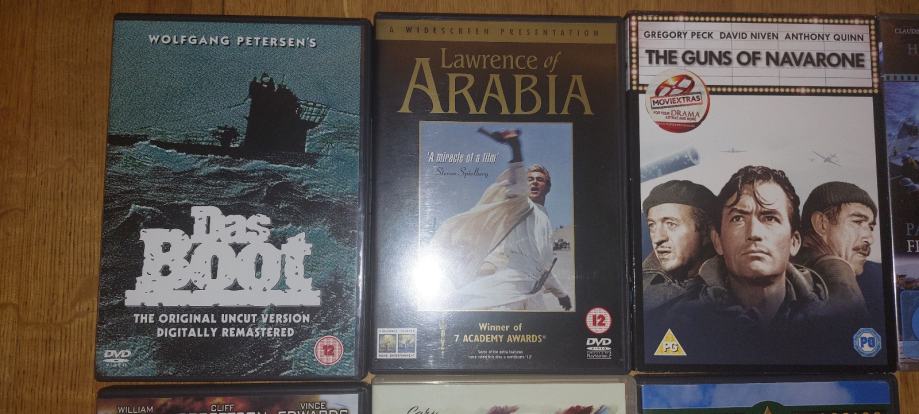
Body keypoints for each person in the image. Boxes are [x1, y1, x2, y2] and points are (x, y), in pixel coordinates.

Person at [427, 129, 571, 311]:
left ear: (548, 187)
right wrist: (515, 147)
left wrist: (561, 294)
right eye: (530, 179)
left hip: (533, 295)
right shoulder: (522, 205)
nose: (534, 182)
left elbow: (543, 266)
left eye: (540, 180)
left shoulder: (544, 218)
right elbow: (518, 183)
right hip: (509, 290)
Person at [794, 181, 877, 318]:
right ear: (821, 223)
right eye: (857, 222)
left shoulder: (875, 275)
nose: (870, 238)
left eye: (871, 227)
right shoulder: (781, 276)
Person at [642, 180, 717, 311]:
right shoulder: (639, 287)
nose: (657, 238)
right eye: (652, 226)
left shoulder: (740, 286)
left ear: (706, 231)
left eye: (671, 224)